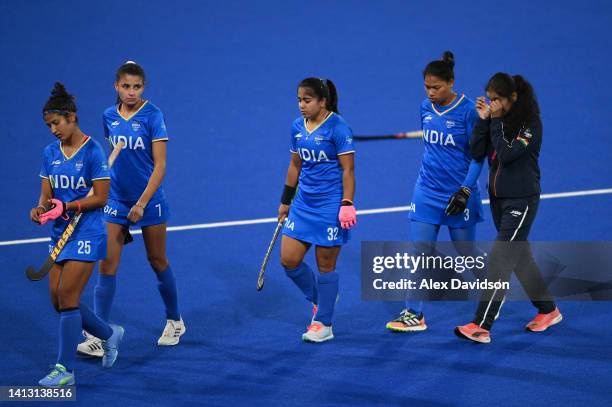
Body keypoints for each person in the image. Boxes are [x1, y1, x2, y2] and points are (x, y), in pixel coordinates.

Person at [78, 61, 184, 357]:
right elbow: (111, 157)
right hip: (116, 200)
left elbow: (160, 166)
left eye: (137, 87)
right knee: (107, 264)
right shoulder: (108, 116)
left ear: (143, 87)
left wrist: (141, 204)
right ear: (116, 87)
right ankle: (99, 334)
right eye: (126, 86)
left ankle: (175, 321)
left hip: (148, 201)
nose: (131, 92)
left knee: (157, 260)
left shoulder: (153, 115)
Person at [455, 72, 562, 343]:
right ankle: (548, 310)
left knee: (501, 258)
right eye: (490, 100)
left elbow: (507, 153)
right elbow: (477, 151)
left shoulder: (530, 125)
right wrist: (482, 123)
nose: (493, 104)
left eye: (497, 99)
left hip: (522, 200)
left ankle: (481, 325)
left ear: (512, 97)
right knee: (520, 258)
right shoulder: (495, 121)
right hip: (498, 200)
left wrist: (495, 120)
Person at [386, 51, 485, 332]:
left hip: (459, 195)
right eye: (427, 87)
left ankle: (494, 293)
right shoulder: (425, 108)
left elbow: (478, 157)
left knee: (466, 253)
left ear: (451, 82)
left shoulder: (468, 112)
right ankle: (413, 314)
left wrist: (465, 190)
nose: (431, 92)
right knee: (420, 252)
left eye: (437, 87)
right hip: (426, 191)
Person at [32, 83, 124, 387]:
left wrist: (68, 206)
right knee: (58, 302)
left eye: (56, 123)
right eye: (48, 125)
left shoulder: (93, 151)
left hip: (88, 232)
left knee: (69, 297)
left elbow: (102, 197)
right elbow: (46, 193)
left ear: (71, 117)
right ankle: (110, 334)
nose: (52, 130)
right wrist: (41, 209)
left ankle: (64, 370)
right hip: (61, 234)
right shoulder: (49, 153)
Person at [278, 77, 356, 343]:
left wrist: (346, 204)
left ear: (322, 101)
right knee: (289, 260)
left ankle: (324, 323)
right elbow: (294, 166)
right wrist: (285, 201)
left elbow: (348, 170)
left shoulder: (339, 128)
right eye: (299, 100)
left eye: (307, 100)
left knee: (325, 265)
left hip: (329, 207)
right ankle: (320, 298)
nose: (301, 105)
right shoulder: (297, 127)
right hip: (302, 205)